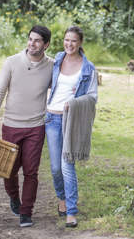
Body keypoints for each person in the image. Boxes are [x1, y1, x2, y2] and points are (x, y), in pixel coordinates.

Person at [0, 25, 53, 228]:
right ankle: (14, 197)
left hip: (35, 127)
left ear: (46, 44)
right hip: (11, 125)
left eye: (38, 40)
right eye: (30, 39)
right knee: (9, 170)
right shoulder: (12, 62)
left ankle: (26, 212)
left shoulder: (52, 66)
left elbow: (64, 85)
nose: (32, 43)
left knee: (31, 171)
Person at [46, 26, 98, 228]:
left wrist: (73, 103)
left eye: (74, 41)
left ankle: (71, 211)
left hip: (70, 120)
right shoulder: (57, 59)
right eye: (67, 40)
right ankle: (62, 199)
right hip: (51, 119)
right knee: (55, 167)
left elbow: (92, 97)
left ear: (80, 43)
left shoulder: (88, 68)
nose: (69, 44)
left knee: (67, 166)